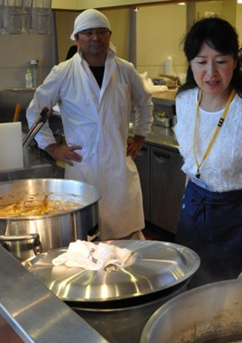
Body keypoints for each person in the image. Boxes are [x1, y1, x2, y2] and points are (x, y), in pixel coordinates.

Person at [27, 9, 153, 240]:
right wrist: (52, 147)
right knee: (86, 236)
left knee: (126, 236)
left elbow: (145, 102)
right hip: (82, 164)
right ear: (76, 38)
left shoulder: (124, 69)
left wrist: (139, 137)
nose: (95, 38)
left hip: (118, 166)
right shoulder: (63, 73)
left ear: (109, 35)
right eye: (88, 33)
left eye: (101, 32)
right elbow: (36, 111)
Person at [174, 17, 242, 288]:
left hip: (238, 215)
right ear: (190, 63)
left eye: (220, 61)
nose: (211, 73)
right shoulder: (185, 100)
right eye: (201, 61)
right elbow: (192, 165)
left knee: (227, 293)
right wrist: (185, 208)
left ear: (234, 61)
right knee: (188, 285)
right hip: (194, 206)